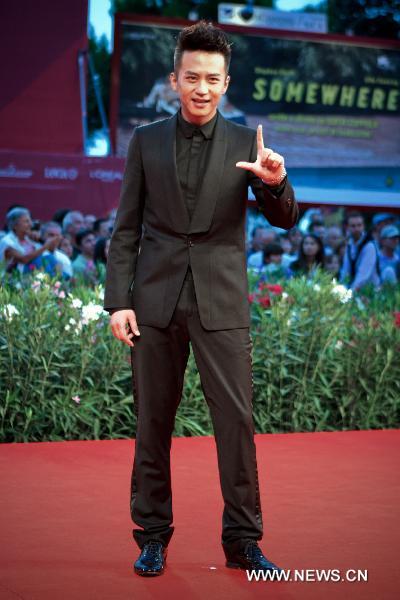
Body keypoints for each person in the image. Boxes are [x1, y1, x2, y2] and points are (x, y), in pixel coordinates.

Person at [104, 21, 298, 578]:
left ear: (226, 82)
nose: (202, 88)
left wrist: (273, 182)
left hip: (221, 302)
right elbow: (125, 230)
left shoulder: (246, 144)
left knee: (235, 423)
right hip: (155, 304)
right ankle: (153, 537)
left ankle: (242, 541)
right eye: (192, 77)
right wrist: (119, 302)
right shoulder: (145, 141)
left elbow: (286, 221)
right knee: (152, 424)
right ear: (174, 79)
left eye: (213, 79)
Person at [340, 211, 380, 292]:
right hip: (355, 290)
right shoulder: (349, 244)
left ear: (363, 226)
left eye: (359, 225)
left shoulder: (369, 245)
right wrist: (342, 288)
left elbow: (363, 275)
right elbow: (345, 271)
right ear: (347, 227)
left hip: (370, 291)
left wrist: (349, 293)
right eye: (353, 226)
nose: (357, 229)